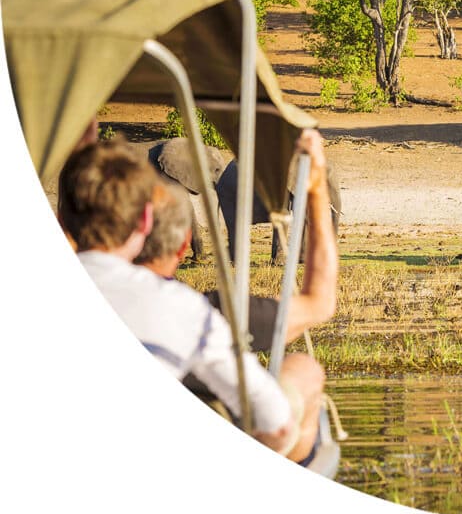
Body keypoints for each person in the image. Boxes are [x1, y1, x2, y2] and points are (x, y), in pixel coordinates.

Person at [57, 137, 324, 464]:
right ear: (144, 221)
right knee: (304, 371)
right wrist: (317, 189)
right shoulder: (182, 309)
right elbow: (276, 423)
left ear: (61, 221)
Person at [135, 129, 338, 352]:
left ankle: (250, 256)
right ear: (184, 243)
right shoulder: (202, 311)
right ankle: (241, 256)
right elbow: (319, 305)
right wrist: (318, 190)